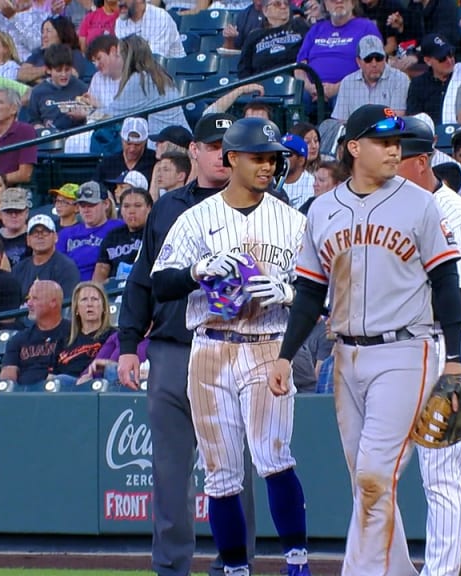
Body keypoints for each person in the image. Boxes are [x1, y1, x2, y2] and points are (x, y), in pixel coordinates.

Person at [270, 105, 461, 576]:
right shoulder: (323, 208)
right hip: (345, 356)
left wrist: (455, 357)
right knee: (367, 485)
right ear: (355, 147)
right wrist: (284, 354)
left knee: (376, 476)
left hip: (405, 350)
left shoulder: (420, 203)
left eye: (398, 142)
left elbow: (446, 281)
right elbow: (311, 291)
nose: (395, 149)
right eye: (384, 141)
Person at [151, 117, 310, 576]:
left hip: (266, 344)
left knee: (273, 457)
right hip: (210, 347)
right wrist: (198, 271)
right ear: (231, 159)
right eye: (258, 157)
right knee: (221, 473)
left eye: (273, 159)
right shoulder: (195, 218)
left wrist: (289, 293)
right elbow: (161, 283)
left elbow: (323, 290)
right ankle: (236, 569)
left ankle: (296, 561)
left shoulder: (291, 220)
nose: (267, 166)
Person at [116, 113, 255, 576]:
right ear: (193, 151)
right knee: (171, 472)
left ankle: (236, 565)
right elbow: (142, 280)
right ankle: (171, 567)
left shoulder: (259, 205)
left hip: (235, 346)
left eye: (229, 146)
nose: (221, 153)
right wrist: (130, 343)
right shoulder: (168, 207)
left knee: (233, 469)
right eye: (213, 145)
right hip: (174, 348)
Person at [396, 115, 461, 576]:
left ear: (422, 161)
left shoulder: (457, 215)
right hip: (397, 354)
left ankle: (440, 574)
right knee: (378, 472)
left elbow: (460, 295)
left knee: (442, 476)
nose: (389, 163)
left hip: (445, 352)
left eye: (398, 156)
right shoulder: (395, 209)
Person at [294, 0, 380, 108]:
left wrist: (337, 87)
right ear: (325, 5)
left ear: (353, 3)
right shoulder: (315, 29)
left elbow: (374, 64)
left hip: (351, 88)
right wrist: (311, 87)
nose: (339, 1)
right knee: (295, 101)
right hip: (312, 92)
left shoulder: (366, 27)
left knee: (344, 100)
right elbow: (299, 67)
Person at [101, 36, 189, 138]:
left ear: (127, 58)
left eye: (119, 56)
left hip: (167, 145)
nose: (117, 59)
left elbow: (108, 117)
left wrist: (87, 112)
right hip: (180, 138)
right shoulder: (158, 73)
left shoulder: (140, 80)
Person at [0, 279, 70, 386]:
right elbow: (8, 375)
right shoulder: (18, 339)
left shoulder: (73, 333)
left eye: (35, 299)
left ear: (53, 302)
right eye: (29, 298)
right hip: (24, 396)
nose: (29, 303)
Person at [330, 35, 408, 121]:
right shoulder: (347, 82)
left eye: (378, 58)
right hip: (356, 133)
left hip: (389, 132)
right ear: (358, 61)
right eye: (368, 59)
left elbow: (397, 118)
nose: (374, 64)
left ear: (385, 58)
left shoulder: (400, 79)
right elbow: (341, 121)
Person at [57, 181, 123, 280]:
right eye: (82, 205)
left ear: (106, 204)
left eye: (91, 205)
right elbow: (57, 267)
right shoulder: (65, 234)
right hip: (70, 288)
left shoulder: (119, 227)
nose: (86, 210)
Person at [51, 281, 115, 379]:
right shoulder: (64, 338)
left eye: (95, 299)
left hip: (95, 385)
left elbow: (115, 367)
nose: (90, 304)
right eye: (84, 299)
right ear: (76, 309)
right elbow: (52, 372)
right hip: (62, 388)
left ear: (104, 307)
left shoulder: (113, 335)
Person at [11, 214, 79, 298]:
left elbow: (66, 305)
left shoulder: (66, 267)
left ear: (55, 237)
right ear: (28, 240)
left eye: (45, 232)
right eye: (35, 233)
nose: (40, 236)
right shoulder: (18, 269)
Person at [238, 0, 309, 79]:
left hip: (296, 82)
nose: (283, 6)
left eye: (286, 3)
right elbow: (243, 70)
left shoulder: (300, 26)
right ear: (265, 10)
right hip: (262, 85)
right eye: (277, 4)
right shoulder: (254, 36)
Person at [93, 187, 150, 283]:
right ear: (121, 210)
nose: (131, 211)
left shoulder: (155, 233)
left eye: (138, 206)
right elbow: (101, 270)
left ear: (149, 208)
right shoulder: (112, 236)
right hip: (116, 292)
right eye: (126, 206)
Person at [26, 44, 89, 130]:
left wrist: (83, 115)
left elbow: (94, 114)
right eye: (59, 70)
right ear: (48, 70)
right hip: (50, 138)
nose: (64, 74)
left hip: (77, 136)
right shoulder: (37, 92)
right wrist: (41, 128)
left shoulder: (81, 87)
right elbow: (33, 120)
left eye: (67, 69)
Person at [17, 14, 90, 84]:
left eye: (48, 31)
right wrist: (46, 70)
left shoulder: (74, 54)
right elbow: (21, 74)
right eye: (42, 32)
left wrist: (33, 78)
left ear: (61, 33)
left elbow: (70, 78)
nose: (43, 36)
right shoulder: (39, 53)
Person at [406, 33, 458, 126]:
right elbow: (414, 119)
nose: (449, 61)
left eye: (450, 54)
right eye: (442, 58)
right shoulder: (418, 85)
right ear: (428, 61)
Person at [95, 117, 156, 195]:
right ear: (122, 139)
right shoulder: (108, 163)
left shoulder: (154, 160)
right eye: (128, 144)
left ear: (145, 142)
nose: (132, 149)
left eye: (137, 145)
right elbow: (95, 186)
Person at [112, 0, 184, 59]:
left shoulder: (160, 17)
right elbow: (122, 56)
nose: (119, 2)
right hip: (138, 71)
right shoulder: (120, 22)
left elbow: (155, 58)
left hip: (170, 71)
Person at [0, 187, 32, 267]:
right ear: (0, 214)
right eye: (8, 211)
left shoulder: (35, 237)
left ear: (26, 213)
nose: (13, 215)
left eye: (18, 211)